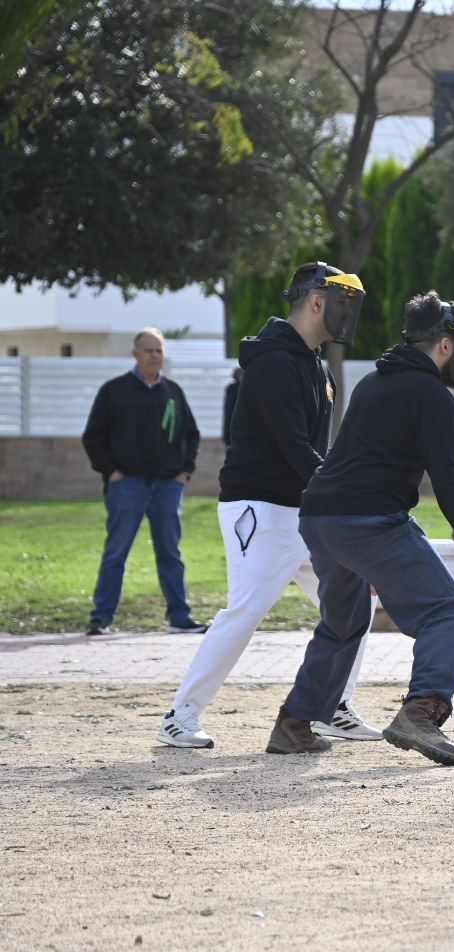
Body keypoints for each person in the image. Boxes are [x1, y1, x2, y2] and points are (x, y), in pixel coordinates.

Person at [268, 292, 454, 766]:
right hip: (368, 519)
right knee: (448, 613)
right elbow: (447, 476)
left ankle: (294, 724)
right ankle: (421, 713)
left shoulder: (374, 381)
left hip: (319, 516)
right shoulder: (432, 395)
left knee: (343, 623)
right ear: (445, 343)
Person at [157, 262, 380, 750]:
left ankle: (332, 706)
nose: (349, 315)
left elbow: (313, 451)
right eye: (343, 303)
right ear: (316, 302)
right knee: (247, 609)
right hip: (258, 509)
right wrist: (342, 493)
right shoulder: (275, 362)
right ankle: (180, 715)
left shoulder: (315, 364)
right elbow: (294, 446)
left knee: (353, 602)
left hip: (302, 512)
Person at [81, 328, 206, 636]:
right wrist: (111, 472)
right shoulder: (114, 390)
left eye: (159, 350)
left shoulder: (173, 392)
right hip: (127, 485)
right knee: (116, 553)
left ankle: (180, 617)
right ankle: (101, 618)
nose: (154, 356)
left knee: (170, 553)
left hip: (167, 486)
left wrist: (184, 473)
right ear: (135, 354)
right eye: (148, 350)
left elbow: (191, 434)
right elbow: (93, 436)